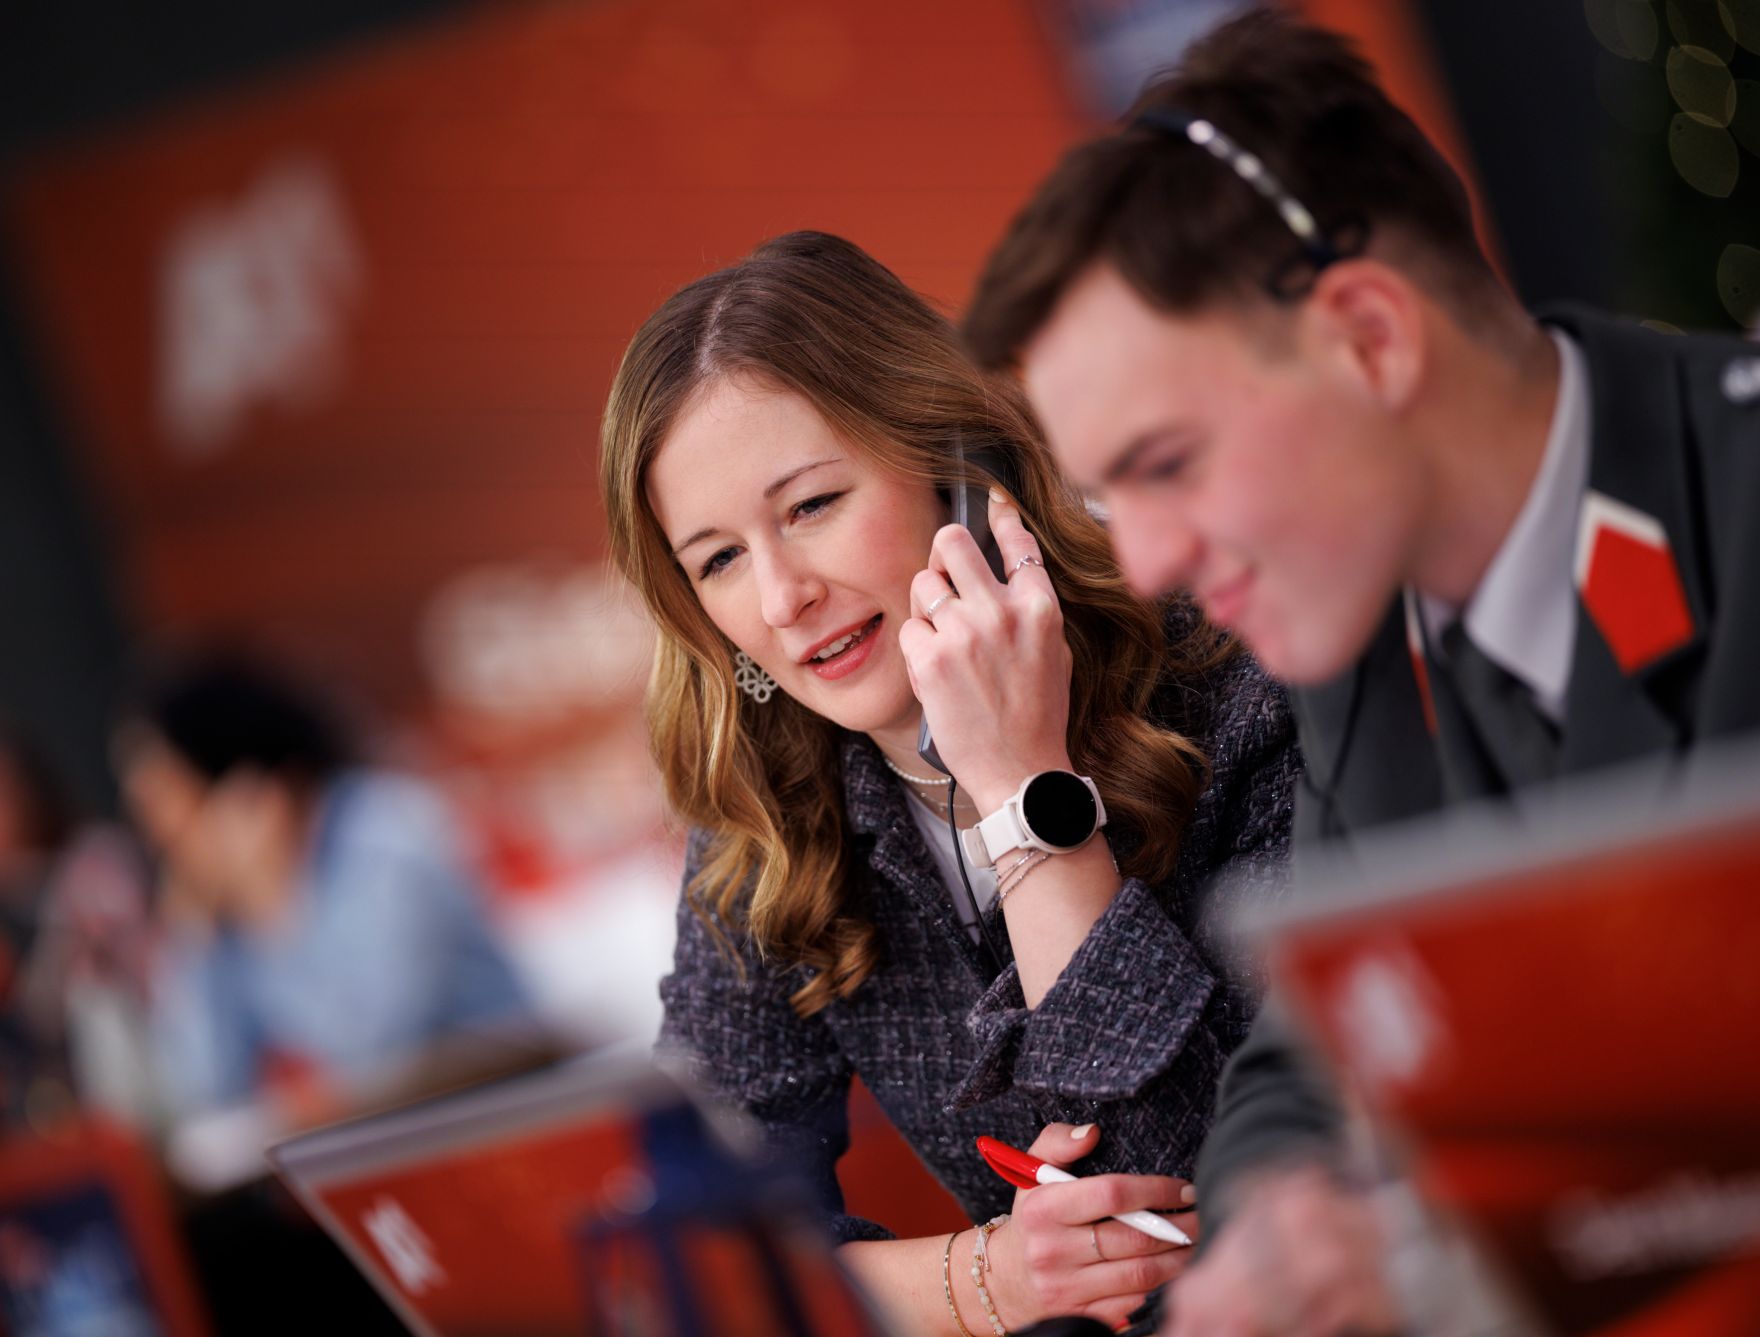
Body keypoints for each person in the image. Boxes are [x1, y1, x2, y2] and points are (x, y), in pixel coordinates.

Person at [962, 8, 1760, 1334]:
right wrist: (1279, 1237)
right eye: (1112, 499)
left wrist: (1446, 1245)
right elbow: (1309, 1051)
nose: (1150, 563)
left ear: (1372, 337)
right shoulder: (1361, 624)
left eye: (1168, 462)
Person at [600, 230, 1300, 1333]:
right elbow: (700, 1249)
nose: (782, 597)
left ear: (954, 466)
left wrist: (1024, 785)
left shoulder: (1230, 678)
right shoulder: (766, 816)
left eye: (810, 505)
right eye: (720, 560)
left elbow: (1196, 1205)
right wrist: (989, 1276)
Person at [116, 654, 535, 1126]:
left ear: (246, 793)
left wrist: (271, 904)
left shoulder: (386, 834)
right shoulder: (227, 909)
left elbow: (383, 1042)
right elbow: (209, 1091)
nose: (162, 844)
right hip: (411, 1135)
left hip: (514, 1107)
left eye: (172, 816)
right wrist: (194, 936)